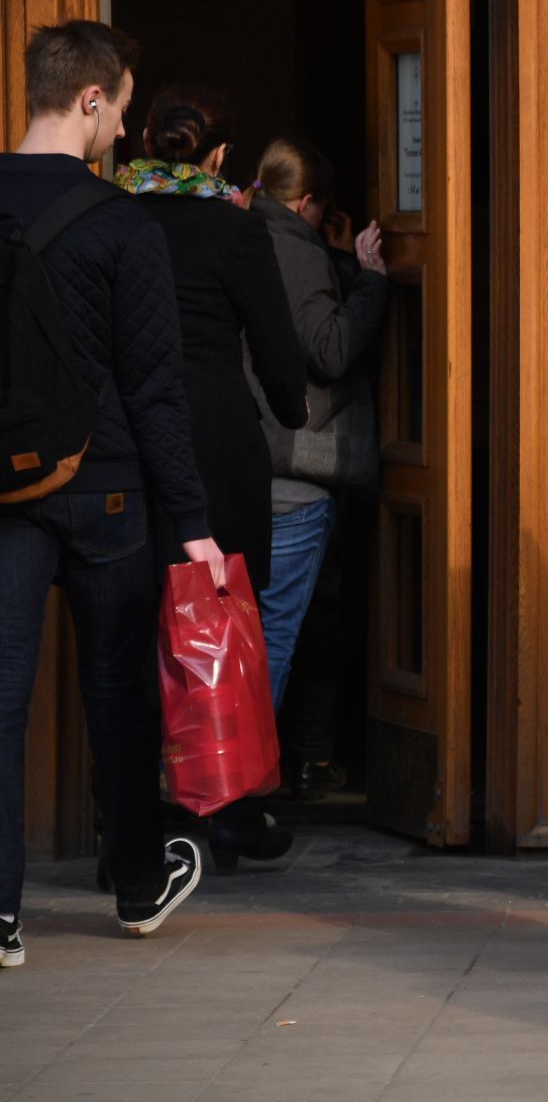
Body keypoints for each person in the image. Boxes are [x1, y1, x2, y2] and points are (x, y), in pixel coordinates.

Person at [0, 20, 209, 962]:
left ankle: (0, 915)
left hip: (0, 488)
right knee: (118, 690)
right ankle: (135, 884)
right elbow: (157, 389)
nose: (125, 132)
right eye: (121, 110)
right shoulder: (126, 223)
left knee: (0, 699)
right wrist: (194, 523)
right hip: (111, 488)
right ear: (90, 99)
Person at [116, 84, 310, 872]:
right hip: (219, 443)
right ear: (220, 154)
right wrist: (292, 407)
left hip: (128, 435)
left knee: (128, 628)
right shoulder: (235, 229)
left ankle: (137, 814)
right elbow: (276, 350)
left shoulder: (116, 215)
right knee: (221, 620)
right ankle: (226, 808)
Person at [247, 138, 388, 798]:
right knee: (283, 631)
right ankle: (249, 784)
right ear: (306, 203)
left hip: (252, 462)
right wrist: (372, 280)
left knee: (252, 626)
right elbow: (328, 347)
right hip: (296, 468)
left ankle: (258, 771)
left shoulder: (248, 234)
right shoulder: (296, 249)